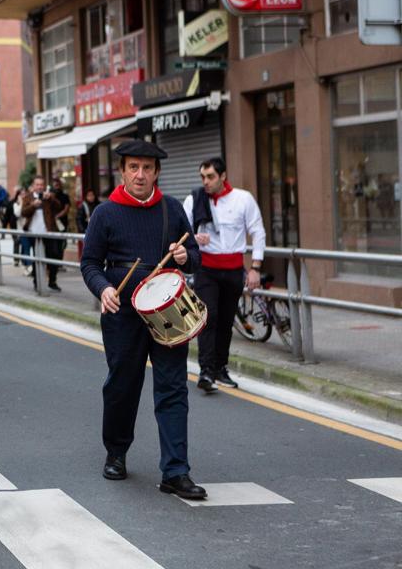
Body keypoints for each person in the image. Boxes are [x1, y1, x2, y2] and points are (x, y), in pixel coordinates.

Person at [80, 140, 206, 499]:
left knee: (173, 387)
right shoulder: (105, 213)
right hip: (123, 313)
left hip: (168, 311)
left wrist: (185, 256)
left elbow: (195, 256)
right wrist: (103, 288)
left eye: (147, 168)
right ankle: (116, 452)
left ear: (156, 172)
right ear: (122, 171)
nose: (140, 174)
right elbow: (89, 263)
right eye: (133, 167)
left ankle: (176, 471)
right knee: (122, 384)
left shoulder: (171, 209)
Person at [183, 157, 266, 392]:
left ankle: (220, 368)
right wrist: (194, 238)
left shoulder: (243, 199)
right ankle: (206, 372)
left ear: (223, 176)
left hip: (233, 269)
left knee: (226, 321)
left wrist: (256, 267)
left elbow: (257, 231)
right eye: (202, 177)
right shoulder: (194, 199)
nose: (205, 182)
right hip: (206, 268)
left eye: (210, 177)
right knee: (209, 317)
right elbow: (180, 229)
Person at [21, 176, 64, 292]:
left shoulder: (49, 196)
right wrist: (33, 205)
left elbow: (59, 207)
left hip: (48, 232)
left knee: (53, 256)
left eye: (41, 184)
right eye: (37, 184)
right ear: (33, 186)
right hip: (34, 234)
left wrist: (50, 198)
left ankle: (52, 281)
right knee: (37, 258)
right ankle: (37, 282)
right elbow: (23, 213)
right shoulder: (28, 197)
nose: (39, 187)